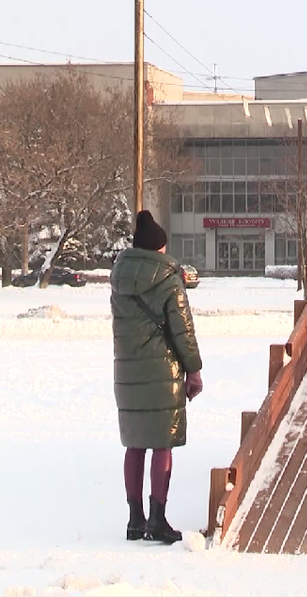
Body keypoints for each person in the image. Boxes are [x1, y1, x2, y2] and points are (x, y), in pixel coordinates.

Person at [110, 210, 204, 544]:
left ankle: (135, 520)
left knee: (135, 444)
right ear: (157, 250)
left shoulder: (119, 280)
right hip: (163, 375)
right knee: (162, 443)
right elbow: (183, 331)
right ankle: (157, 519)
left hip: (127, 373)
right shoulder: (168, 279)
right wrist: (193, 369)